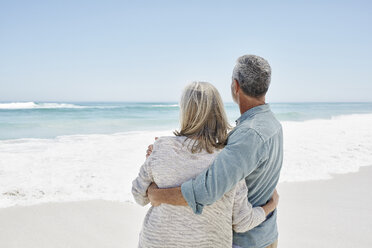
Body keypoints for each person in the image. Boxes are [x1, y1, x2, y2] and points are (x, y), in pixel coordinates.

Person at [147, 55, 283, 248]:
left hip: (247, 241)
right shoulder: (272, 124)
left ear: (235, 86)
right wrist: (169, 150)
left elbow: (207, 191)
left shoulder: (248, 134)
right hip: (267, 235)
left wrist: (157, 195)